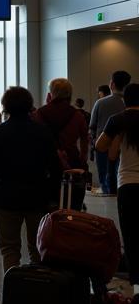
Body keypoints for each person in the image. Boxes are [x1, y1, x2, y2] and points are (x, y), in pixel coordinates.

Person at [0, 87, 62, 273]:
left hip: (5, 197)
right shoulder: (42, 132)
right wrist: (55, 197)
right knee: (38, 247)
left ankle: (12, 291)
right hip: (37, 197)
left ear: (5, 106)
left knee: (9, 249)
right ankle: (39, 288)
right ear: (30, 106)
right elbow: (55, 167)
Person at [96, 82, 139, 297]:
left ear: (125, 100)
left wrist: (118, 139)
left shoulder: (119, 120)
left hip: (129, 184)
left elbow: (101, 147)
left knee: (132, 238)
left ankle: (138, 289)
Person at [37, 78, 89, 208]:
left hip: (46, 163)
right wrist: (82, 160)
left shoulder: (40, 113)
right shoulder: (77, 115)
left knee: (48, 205)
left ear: (51, 93)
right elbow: (84, 140)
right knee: (72, 203)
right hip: (72, 162)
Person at [91, 71, 131, 196]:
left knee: (104, 175)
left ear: (111, 84)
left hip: (102, 144)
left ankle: (106, 196)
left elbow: (92, 125)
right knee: (118, 174)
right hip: (122, 146)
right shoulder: (128, 104)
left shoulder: (100, 102)